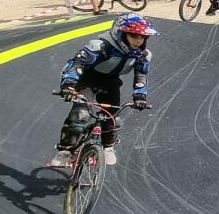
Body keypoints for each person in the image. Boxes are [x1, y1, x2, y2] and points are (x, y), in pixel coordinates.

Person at [49, 12, 156, 168]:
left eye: (142, 37)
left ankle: (108, 146)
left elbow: (141, 76)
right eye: (134, 35)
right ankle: (65, 151)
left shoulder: (143, 55)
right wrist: (68, 86)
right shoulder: (99, 46)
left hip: (111, 83)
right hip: (87, 80)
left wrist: (140, 96)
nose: (139, 41)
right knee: (80, 114)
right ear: (120, 33)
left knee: (113, 119)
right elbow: (75, 64)